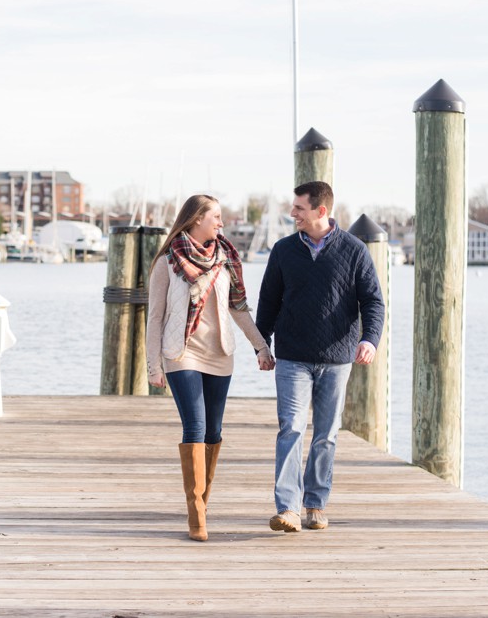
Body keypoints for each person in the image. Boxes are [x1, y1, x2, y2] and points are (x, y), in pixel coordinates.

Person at [255, 181, 385, 532]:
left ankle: (315, 503)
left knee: (326, 433)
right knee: (291, 428)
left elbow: (373, 301)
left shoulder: (354, 250)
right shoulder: (283, 251)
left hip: (337, 358)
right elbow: (268, 301)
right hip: (293, 357)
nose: (292, 213)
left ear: (321, 211)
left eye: (299, 208)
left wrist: (370, 339)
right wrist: (261, 344)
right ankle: (288, 509)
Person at [146, 194, 275, 541]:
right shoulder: (168, 262)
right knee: (196, 426)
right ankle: (197, 516)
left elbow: (239, 309)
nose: (221, 222)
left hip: (219, 354)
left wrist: (261, 346)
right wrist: (152, 366)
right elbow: (155, 317)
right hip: (181, 353)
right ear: (196, 219)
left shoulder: (225, 257)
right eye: (215, 216)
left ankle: (203, 499)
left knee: (214, 431)